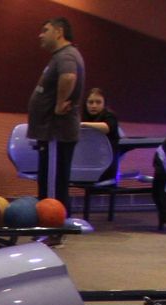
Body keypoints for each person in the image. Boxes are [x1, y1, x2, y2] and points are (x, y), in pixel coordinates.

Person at [28, 16, 85, 218]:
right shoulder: (61, 55)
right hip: (51, 133)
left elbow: (69, 76)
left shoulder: (66, 55)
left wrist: (60, 103)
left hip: (56, 133)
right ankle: (51, 225)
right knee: (50, 181)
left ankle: (53, 226)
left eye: (45, 30)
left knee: (53, 185)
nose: (40, 35)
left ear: (59, 32)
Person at [80, 87, 121, 180]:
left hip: (106, 165)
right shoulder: (83, 117)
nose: (94, 106)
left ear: (104, 104)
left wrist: (84, 124)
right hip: (87, 163)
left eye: (98, 102)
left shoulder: (110, 116)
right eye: (90, 102)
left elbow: (107, 128)